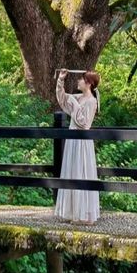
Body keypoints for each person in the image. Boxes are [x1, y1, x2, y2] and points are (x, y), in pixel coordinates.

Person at [54, 69, 101, 224]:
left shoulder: (91, 101)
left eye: (81, 80)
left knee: (82, 172)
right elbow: (62, 100)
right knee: (72, 171)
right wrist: (60, 80)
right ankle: (72, 211)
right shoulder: (78, 97)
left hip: (82, 141)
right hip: (72, 140)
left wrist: (74, 103)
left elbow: (84, 123)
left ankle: (85, 214)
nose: (78, 82)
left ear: (88, 83)